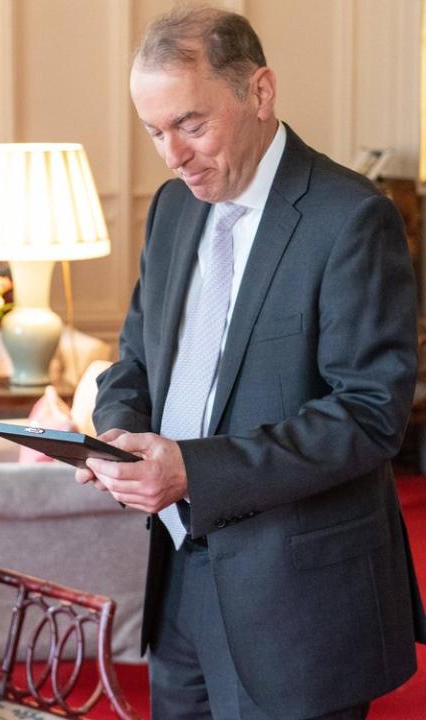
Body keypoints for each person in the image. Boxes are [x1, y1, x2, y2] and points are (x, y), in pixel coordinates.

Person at [77, 6, 426, 719]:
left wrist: (192, 470)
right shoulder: (173, 209)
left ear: (259, 93)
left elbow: (369, 415)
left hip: (294, 596)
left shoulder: (351, 219)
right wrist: (114, 436)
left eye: (191, 124)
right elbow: (134, 364)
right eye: (155, 132)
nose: (173, 154)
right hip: (176, 579)